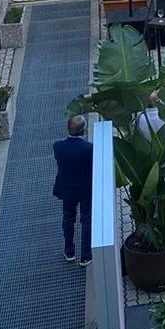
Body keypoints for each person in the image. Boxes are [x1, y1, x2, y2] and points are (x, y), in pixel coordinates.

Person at [52, 114, 94, 266]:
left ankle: (69, 250)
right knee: (86, 219)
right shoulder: (89, 149)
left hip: (67, 188)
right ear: (83, 131)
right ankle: (86, 255)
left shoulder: (58, 146)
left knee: (68, 218)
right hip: (85, 189)